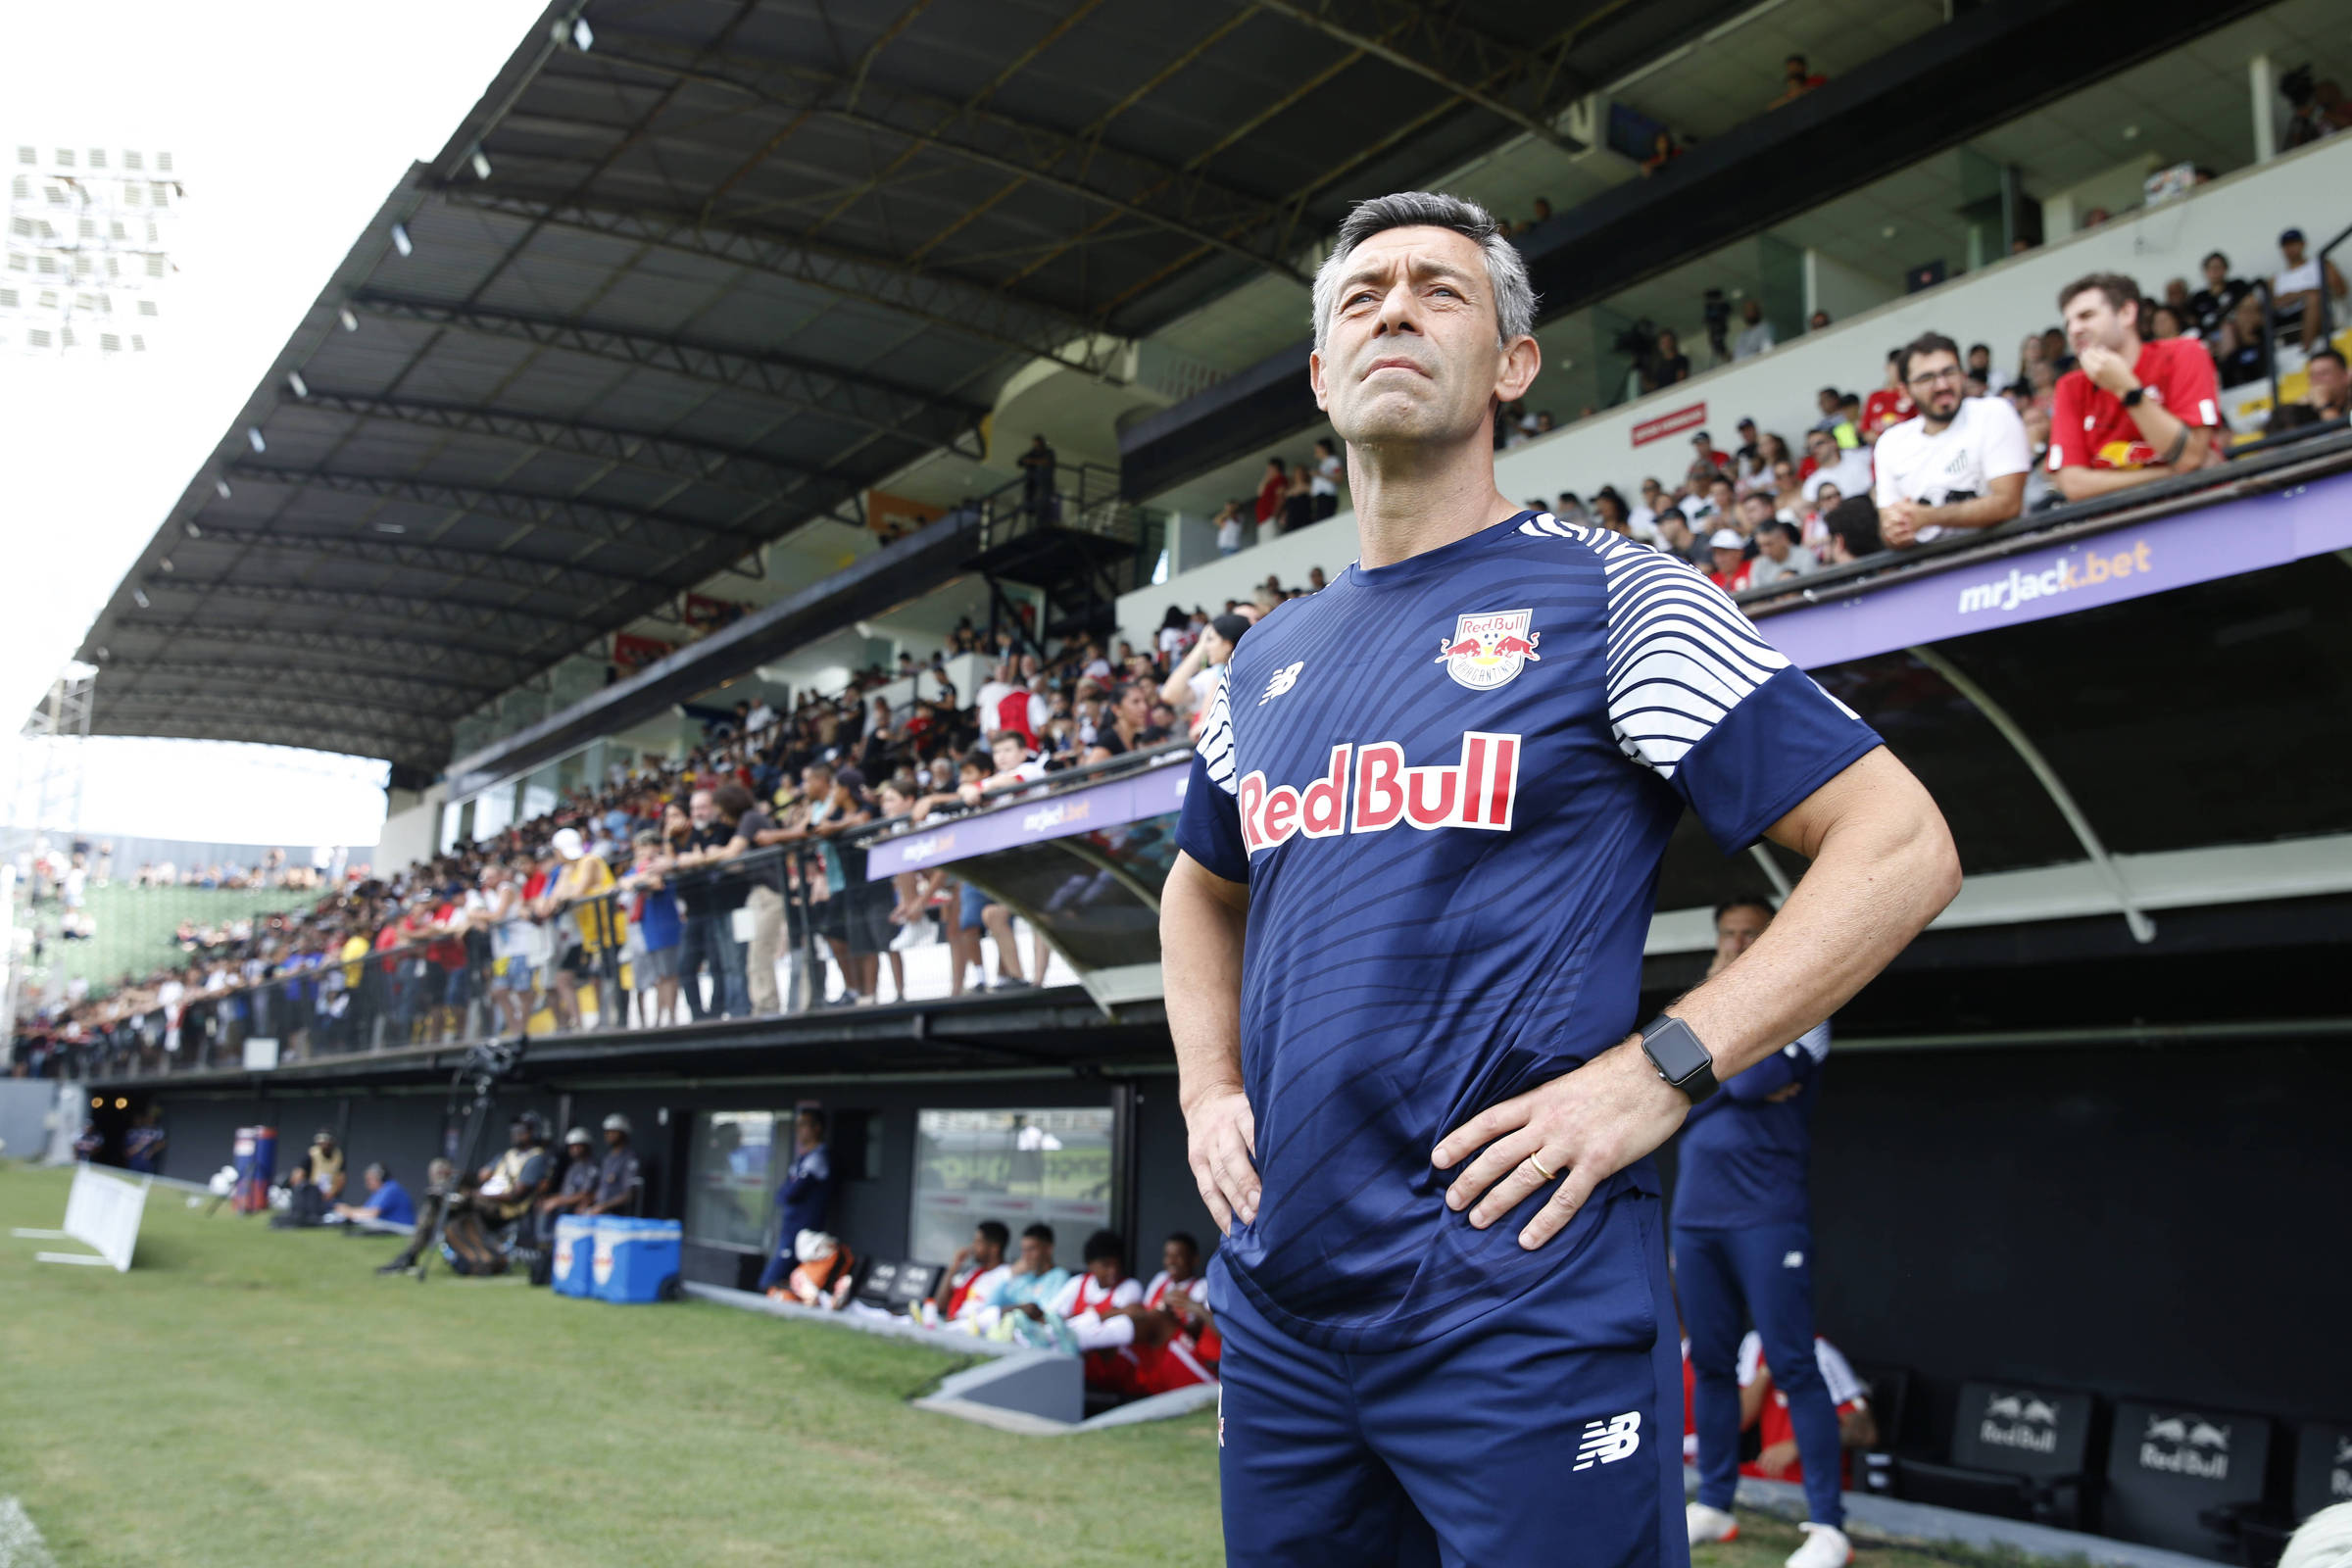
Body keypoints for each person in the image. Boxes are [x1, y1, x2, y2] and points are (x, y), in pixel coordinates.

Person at [1163, 190, 1959, 1568]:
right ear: (1320, 374)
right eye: (1362, 297)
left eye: (1440, 290)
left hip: (1513, 1301)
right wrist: (1206, 1085)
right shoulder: (1263, 658)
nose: (1395, 309)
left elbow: (1900, 842)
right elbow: (1198, 886)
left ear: (1513, 364)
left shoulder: (1614, 601)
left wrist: (1654, 1075)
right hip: (1286, 1308)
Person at [1679, 895, 1849, 1557]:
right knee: (1713, 1363)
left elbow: (1733, 1089)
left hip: (1766, 1215)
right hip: (1697, 1214)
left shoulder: (1807, 999)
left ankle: (1828, 1525)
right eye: (1729, 934)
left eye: (1752, 933)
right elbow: (1669, 1086)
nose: (1740, 944)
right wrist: (1726, 1071)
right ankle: (1717, 1502)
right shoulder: (1703, 1005)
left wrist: (1708, 1077)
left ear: (1776, 935)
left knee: (1791, 1363)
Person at [2048, 272, 2221, 502]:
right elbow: (2074, 485)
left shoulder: (2184, 353)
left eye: (2086, 316)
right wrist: (2170, 473)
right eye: (2068, 322)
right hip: (2119, 526)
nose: (2073, 330)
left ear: (2126, 313)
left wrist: (2127, 390)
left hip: (2196, 511)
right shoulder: (2070, 387)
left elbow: (2189, 456)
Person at [1872, 332, 2031, 549]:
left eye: (1949, 372)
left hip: (2003, 562)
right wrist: (1895, 532)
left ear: (1963, 375)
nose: (1942, 385)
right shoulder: (1890, 444)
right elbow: (1887, 526)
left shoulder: (1993, 413)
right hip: (1930, 573)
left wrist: (1928, 517)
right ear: (1905, 392)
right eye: (1927, 378)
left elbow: (2008, 504)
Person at [1731, 1330, 1876, 1491]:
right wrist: (1766, 1369)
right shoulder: (1756, 1343)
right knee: (1707, 1485)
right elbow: (1736, 1421)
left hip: (1819, 1484)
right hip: (1770, 1476)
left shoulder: (1821, 1353)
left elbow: (1864, 1432)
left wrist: (1800, 1445)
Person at [757, 1108, 835, 1293]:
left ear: (817, 1128)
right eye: (797, 1125)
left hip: (804, 1233)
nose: (798, 1130)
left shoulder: (819, 1158)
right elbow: (783, 1192)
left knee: (770, 1280)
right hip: (790, 1227)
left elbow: (792, 1192)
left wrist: (787, 1193)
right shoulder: (803, 1158)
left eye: (803, 1125)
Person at [2271, 226, 2346, 349]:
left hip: (2319, 311)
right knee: (2249, 313)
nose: (2290, 249)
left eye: (2293, 244)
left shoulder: (2320, 264)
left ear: (2303, 244)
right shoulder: (2276, 278)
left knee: (2313, 298)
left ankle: (2306, 350)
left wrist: (2299, 294)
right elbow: (2271, 304)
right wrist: (2298, 295)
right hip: (2286, 316)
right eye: (2286, 245)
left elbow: (2341, 291)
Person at [930, 1220, 1013, 1323]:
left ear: (994, 1248)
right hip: (953, 1328)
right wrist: (954, 1268)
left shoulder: (1006, 1274)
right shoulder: (974, 1273)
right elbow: (940, 1305)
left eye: (978, 1242)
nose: (973, 1247)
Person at [535, 1127, 602, 1241]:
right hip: (566, 1208)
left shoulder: (593, 1166)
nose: (575, 1149)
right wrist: (550, 1200)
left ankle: (549, 1244)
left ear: (587, 1146)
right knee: (543, 1204)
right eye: (572, 1146)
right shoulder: (573, 1167)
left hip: (581, 1209)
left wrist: (556, 1202)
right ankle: (542, 1245)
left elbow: (585, 1194)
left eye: (578, 1145)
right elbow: (565, 1192)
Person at [584, 1112, 643, 1216]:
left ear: (624, 1133)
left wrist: (604, 1206)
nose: (608, 1135)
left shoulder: (630, 1158)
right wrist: (586, 1202)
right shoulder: (607, 1158)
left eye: (613, 1132)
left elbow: (630, 1194)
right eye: (607, 1132)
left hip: (618, 1217)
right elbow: (601, 1188)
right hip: (600, 1214)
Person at [332, 1162, 416, 1227]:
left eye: (369, 1180)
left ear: (380, 1178)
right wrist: (348, 1210)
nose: (367, 1184)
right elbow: (366, 1209)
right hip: (392, 1227)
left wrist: (348, 1212)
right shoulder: (381, 1191)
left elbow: (371, 1214)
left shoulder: (391, 1189)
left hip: (403, 1228)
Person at [1857, 350, 1914, 444]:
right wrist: (1885, 442)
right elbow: (1866, 431)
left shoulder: (1911, 394)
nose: (1900, 370)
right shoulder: (1874, 397)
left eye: (1903, 366)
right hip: (1882, 452)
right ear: (1887, 367)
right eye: (1896, 365)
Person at [1746, 518, 1817, 587]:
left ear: (1784, 538)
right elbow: (1757, 594)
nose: (1765, 550)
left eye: (1769, 544)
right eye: (1760, 546)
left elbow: (1810, 587)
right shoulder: (1759, 564)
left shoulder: (1805, 556)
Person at [2304, 347, 2349, 422]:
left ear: (2345, 376)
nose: (2317, 380)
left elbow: (2342, 433)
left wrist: (2324, 406)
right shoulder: (2304, 411)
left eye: (2324, 373)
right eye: (2312, 375)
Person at [1706, 528, 1751, 592]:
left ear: (1739, 553)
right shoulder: (1712, 582)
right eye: (1715, 554)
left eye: (1723, 553)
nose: (1718, 560)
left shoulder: (1753, 569)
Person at [1311, 436, 1344, 520]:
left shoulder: (1333, 460)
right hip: (1319, 498)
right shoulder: (1323, 464)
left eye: (1317, 449)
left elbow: (1339, 478)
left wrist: (1320, 475)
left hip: (1327, 497)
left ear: (1324, 448)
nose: (1316, 452)